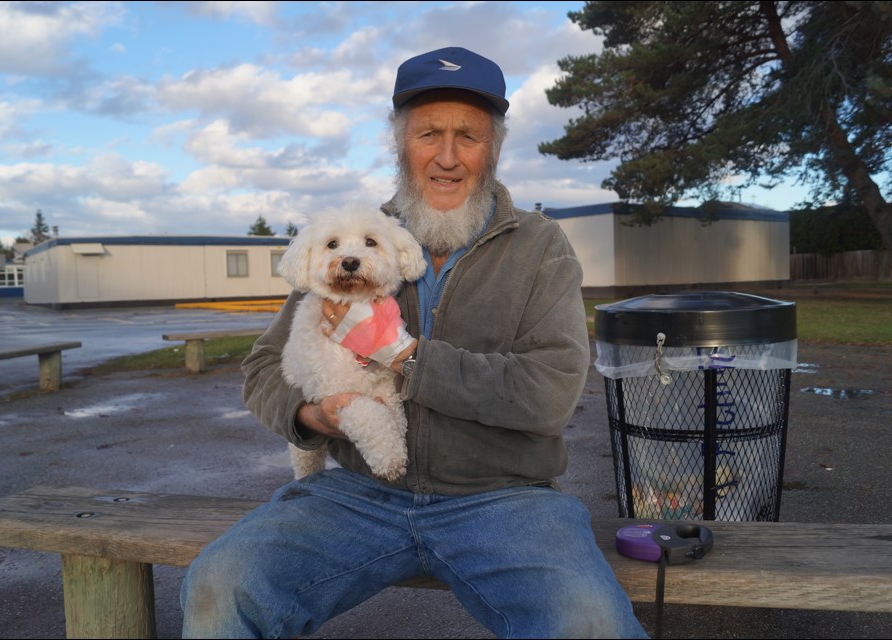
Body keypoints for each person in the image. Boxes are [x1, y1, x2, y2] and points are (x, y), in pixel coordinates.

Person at [181, 46, 648, 639]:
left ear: (494, 148)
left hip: (504, 498)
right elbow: (265, 367)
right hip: (356, 493)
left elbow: (549, 394)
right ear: (401, 144)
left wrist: (405, 356)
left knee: (591, 625)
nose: (447, 157)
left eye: (468, 137)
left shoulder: (541, 247)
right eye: (428, 134)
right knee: (221, 586)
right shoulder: (350, 240)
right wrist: (309, 415)